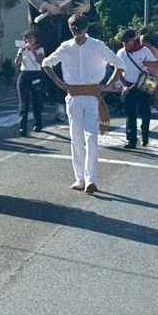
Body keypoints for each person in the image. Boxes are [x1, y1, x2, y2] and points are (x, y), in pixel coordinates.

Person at [42, 14, 124, 194]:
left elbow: (119, 64)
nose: (77, 33)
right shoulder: (66, 47)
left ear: (86, 29)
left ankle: (90, 179)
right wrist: (59, 83)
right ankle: (79, 178)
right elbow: (46, 63)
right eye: (74, 30)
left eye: (79, 29)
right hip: (73, 95)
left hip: (91, 95)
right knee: (76, 138)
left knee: (91, 137)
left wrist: (108, 85)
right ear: (70, 29)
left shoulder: (97, 46)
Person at [26, 0, 91, 123]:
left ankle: (75, 100)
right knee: (52, 62)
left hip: (71, 23)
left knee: (74, 61)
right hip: (49, 24)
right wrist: (46, 6)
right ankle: (58, 106)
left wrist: (84, 6)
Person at [117, 29, 158, 148]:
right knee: (130, 112)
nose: (124, 43)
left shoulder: (144, 50)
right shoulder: (120, 53)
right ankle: (131, 140)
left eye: (127, 41)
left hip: (145, 82)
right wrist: (124, 85)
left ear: (133, 40)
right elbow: (118, 71)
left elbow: (156, 64)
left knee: (145, 112)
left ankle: (145, 136)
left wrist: (147, 63)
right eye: (123, 41)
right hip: (129, 84)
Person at [14, 29, 46, 136]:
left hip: (36, 74)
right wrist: (19, 54)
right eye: (27, 38)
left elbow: (41, 61)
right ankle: (23, 126)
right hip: (24, 75)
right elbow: (16, 63)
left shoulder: (40, 49)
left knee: (37, 100)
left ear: (35, 39)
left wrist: (32, 51)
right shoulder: (22, 49)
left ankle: (38, 123)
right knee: (24, 102)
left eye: (31, 38)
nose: (29, 40)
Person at [137, 29, 158, 114]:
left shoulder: (152, 50)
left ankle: (153, 107)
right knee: (146, 92)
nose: (140, 43)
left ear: (147, 42)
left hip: (152, 74)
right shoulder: (146, 50)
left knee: (150, 92)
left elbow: (156, 64)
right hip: (147, 74)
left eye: (142, 41)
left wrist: (145, 63)